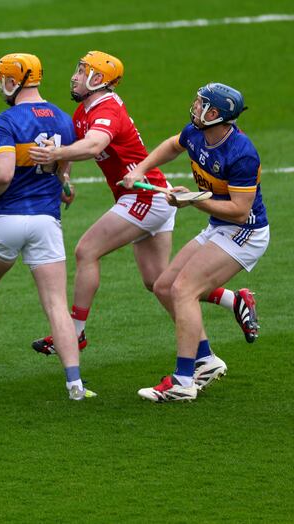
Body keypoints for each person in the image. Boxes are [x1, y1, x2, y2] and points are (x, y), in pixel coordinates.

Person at [27, 51, 256, 357]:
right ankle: (227, 313)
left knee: (86, 250)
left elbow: (94, 144)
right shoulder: (85, 110)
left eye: (82, 71)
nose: (74, 76)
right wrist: (64, 176)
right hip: (150, 197)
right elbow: (75, 145)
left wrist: (55, 157)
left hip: (144, 197)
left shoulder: (106, 109)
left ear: (97, 79)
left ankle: (74, 333)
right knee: (159, 283)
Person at [0, 53, 95, 400]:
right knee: (55, 304)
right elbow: (65, 178)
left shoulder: (6, 121)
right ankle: (75, 383)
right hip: (46, 223)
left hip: (7, 220)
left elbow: (2, 174)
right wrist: (64, 188)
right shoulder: (65, 120)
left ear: (10, 81)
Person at [121, 83, 269, 402]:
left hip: (245, 232)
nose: (195, 106)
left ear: (216, 114)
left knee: (182, 290)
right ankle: (206, 361)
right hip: (219, 226)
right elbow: (173, 145)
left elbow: (241, 212)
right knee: (164, 286)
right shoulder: (197, 133)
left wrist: (193, 201)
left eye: (202, 104)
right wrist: (142, 169)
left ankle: (183, 382)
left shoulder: (241, 153)